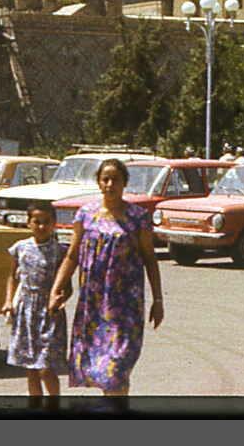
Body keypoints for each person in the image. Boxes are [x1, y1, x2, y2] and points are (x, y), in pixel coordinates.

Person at [47, 158, 163, 402]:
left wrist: (158, 300)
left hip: (125, 306)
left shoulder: (138, 217)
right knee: (102, 367)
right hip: (94, 304)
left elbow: (150, 259)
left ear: (124, 183)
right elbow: (72, 255)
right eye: (105, 179)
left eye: (115, 180)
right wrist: (56, 289)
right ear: (99, 183)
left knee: (117, 368)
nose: (110, 184)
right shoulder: (85, 215)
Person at [2, 203, 69, 407]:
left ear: (54, 223)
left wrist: (59, 299)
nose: (41, 226)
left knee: (46, 367)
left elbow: (67, 286)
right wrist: (8, 301)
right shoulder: (20, 248)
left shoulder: (60, 251)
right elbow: (12, 277)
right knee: (30, 366)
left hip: (50, 312)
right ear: (28, 223)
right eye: (36, 222)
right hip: (26, 310)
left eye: (46, 222)